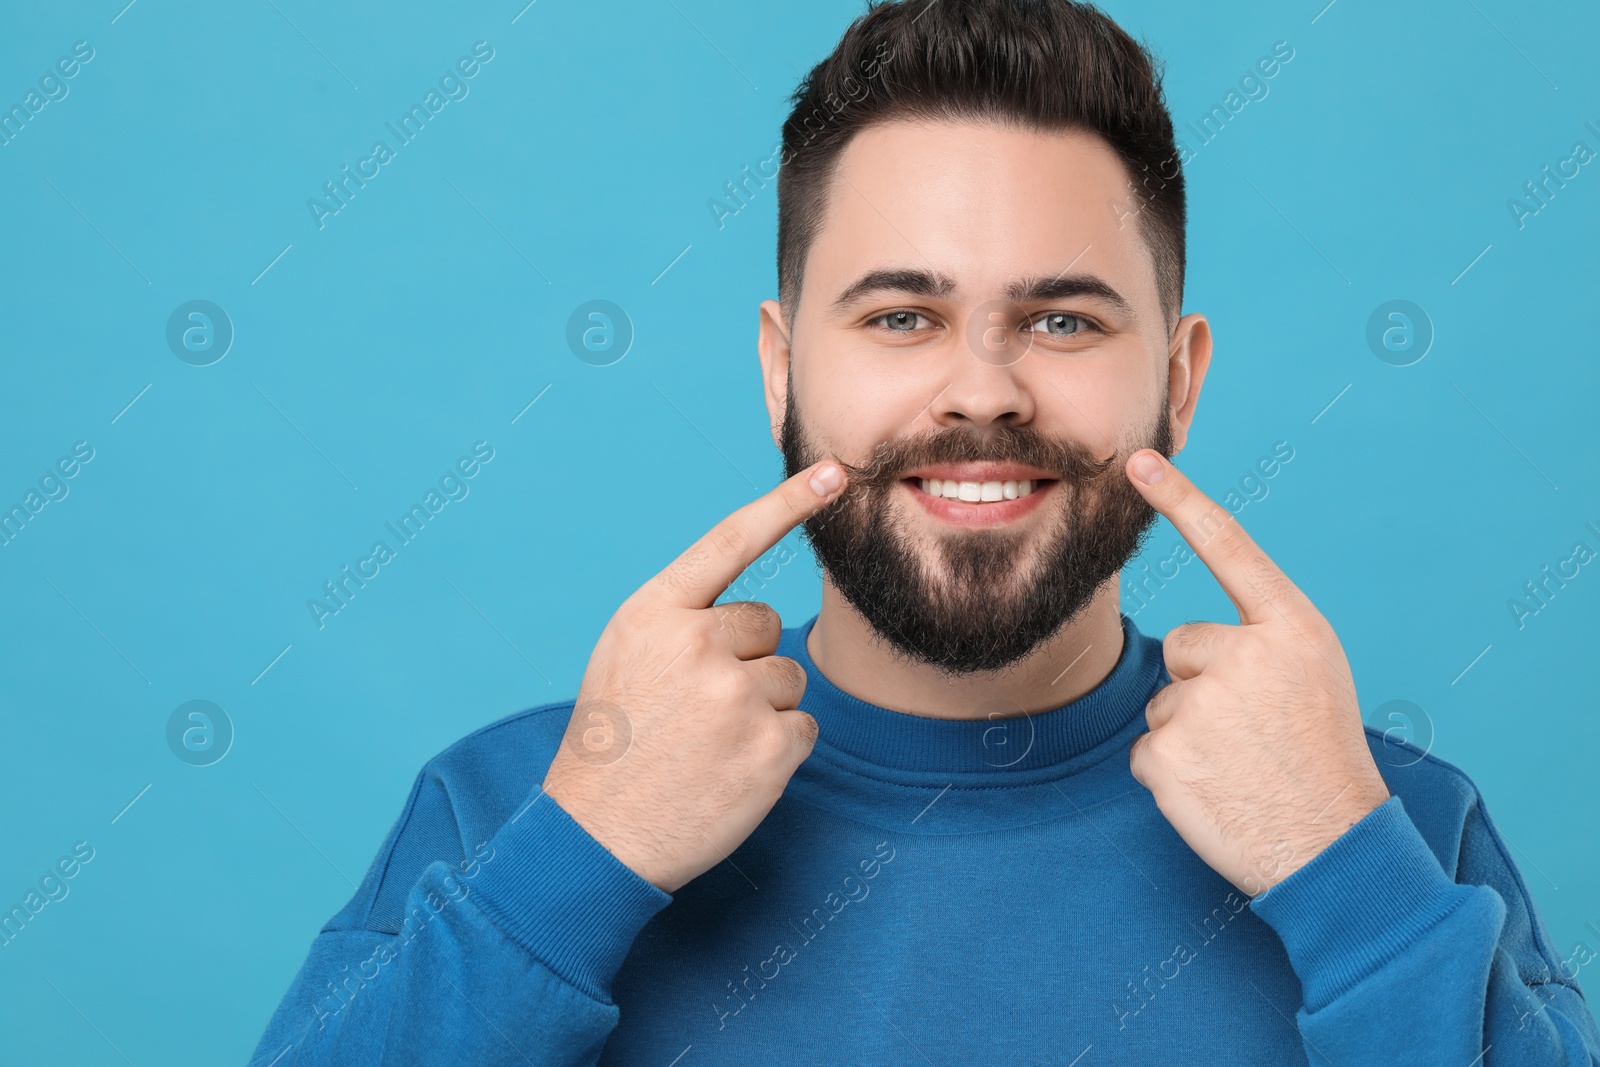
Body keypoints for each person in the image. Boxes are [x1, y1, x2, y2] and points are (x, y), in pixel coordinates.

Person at [250, 1, 1600, 1063]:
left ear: (1179, 381)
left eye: (1064, 320)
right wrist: (575, 864)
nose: (982, 388)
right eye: (901, 315)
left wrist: (1351, 884)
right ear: (782, 373)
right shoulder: (512, 814)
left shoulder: (1393, 833)